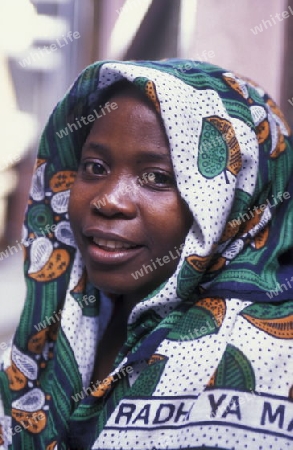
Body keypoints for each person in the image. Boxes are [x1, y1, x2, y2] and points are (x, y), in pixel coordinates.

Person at [0, 59, 293, 450]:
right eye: (95, 166)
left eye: (158, 177)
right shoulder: (50, 334)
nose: (108, 200)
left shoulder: (274, 358)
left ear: (235, 200)